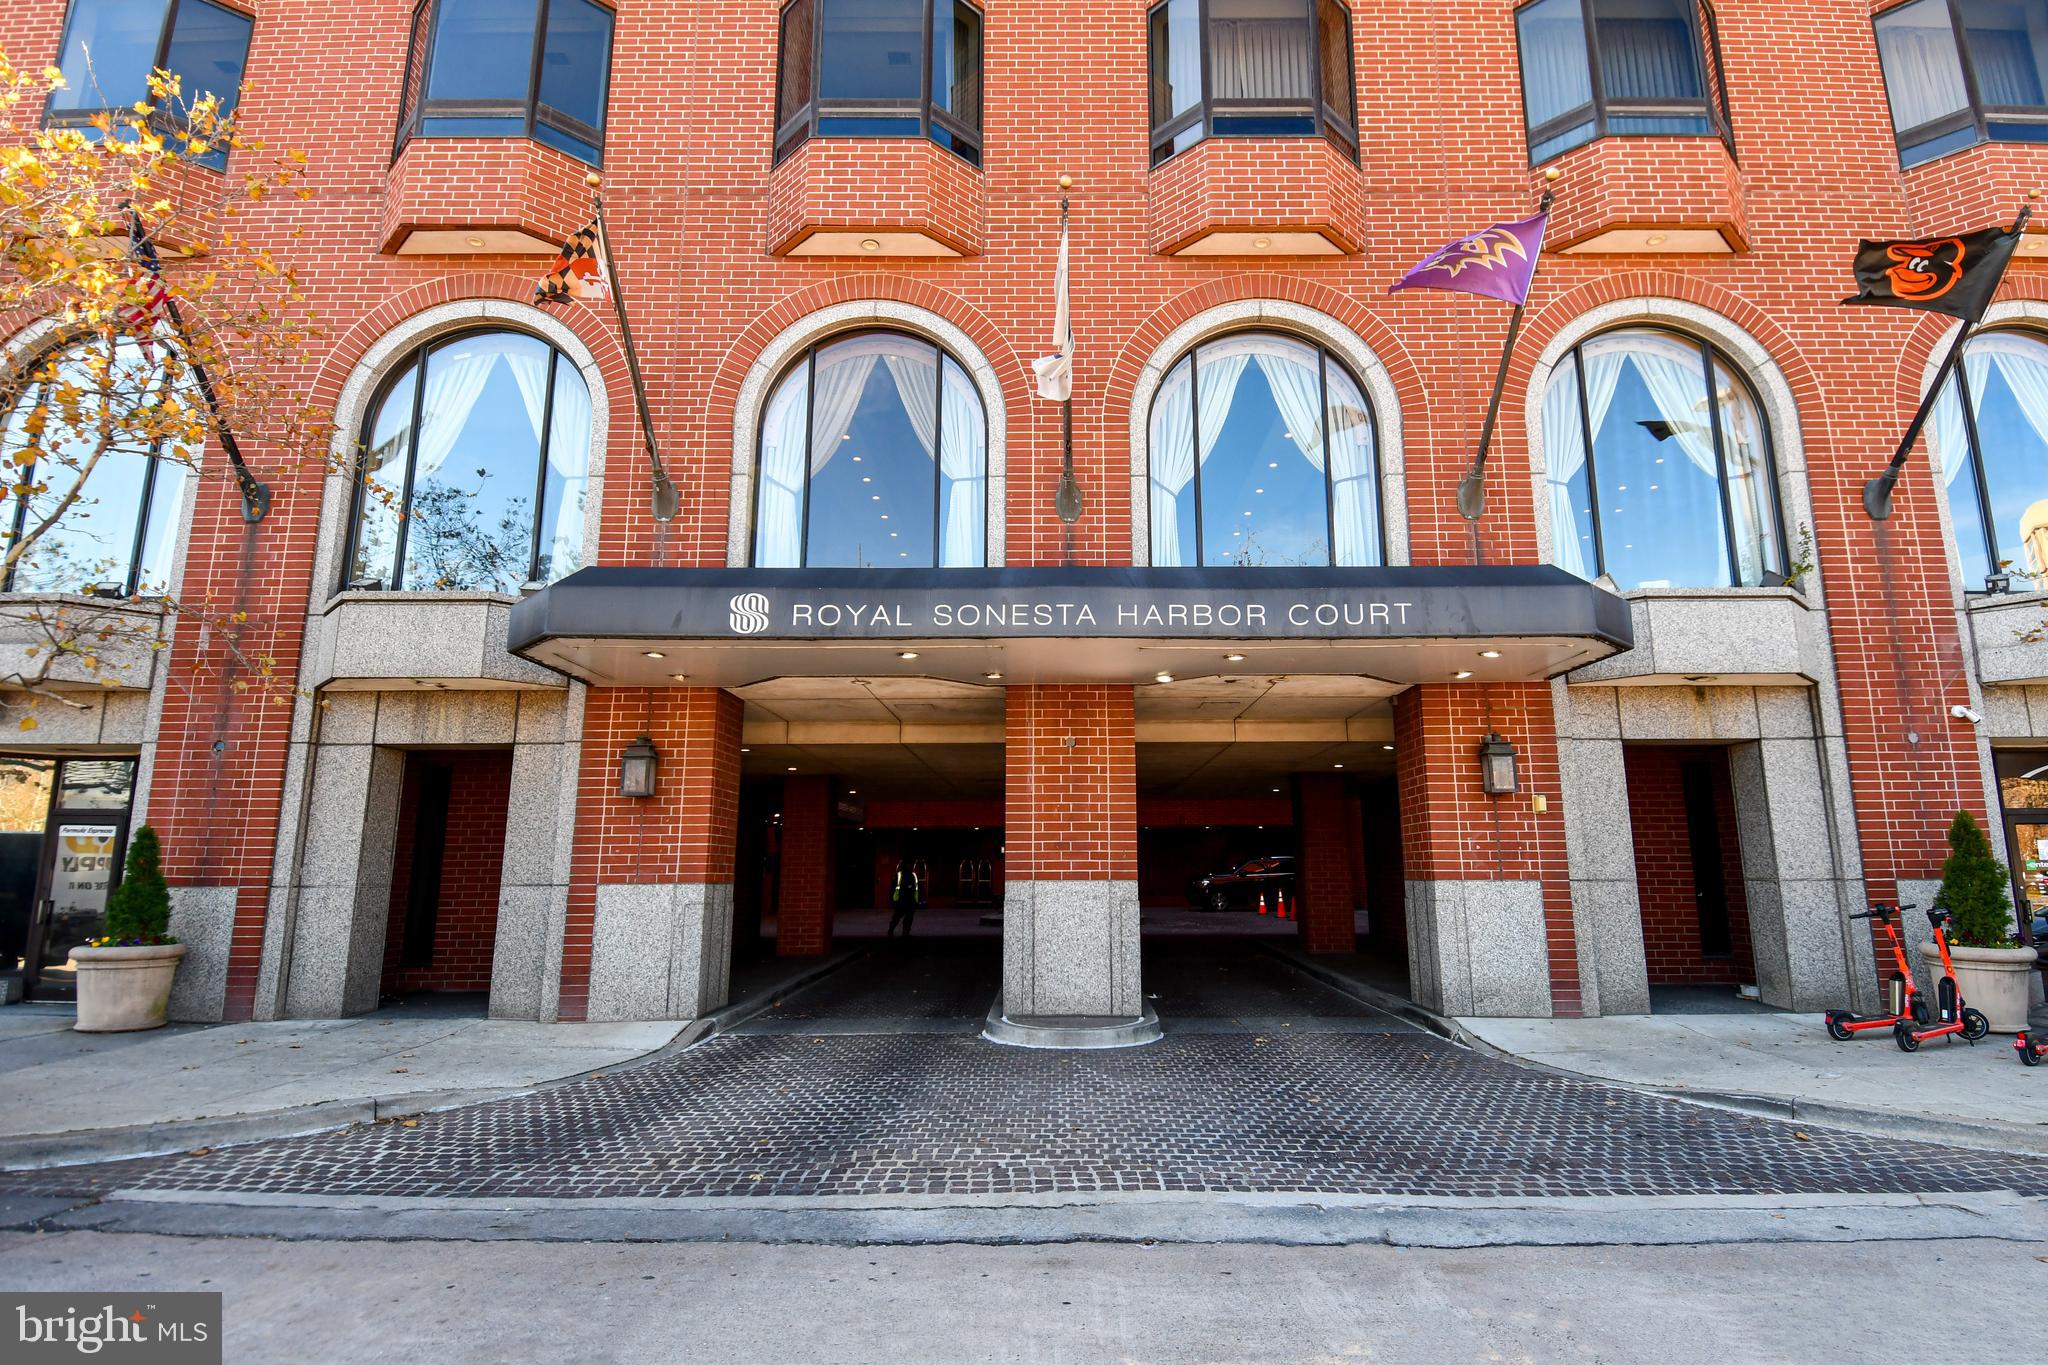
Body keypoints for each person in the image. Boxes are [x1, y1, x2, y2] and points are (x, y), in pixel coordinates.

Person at [888, 856, 921, 938]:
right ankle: (891, 931)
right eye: (909, 864)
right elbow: (893, 888)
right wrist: (893, 900)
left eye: (911, 864)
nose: (911, 866)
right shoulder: (899, 875)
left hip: (910, 900)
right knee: (896, 917)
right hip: (901, 900)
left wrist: (916, 901)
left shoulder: (913, 875)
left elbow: (916, 888)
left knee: (909, 918)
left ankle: (905, 933)